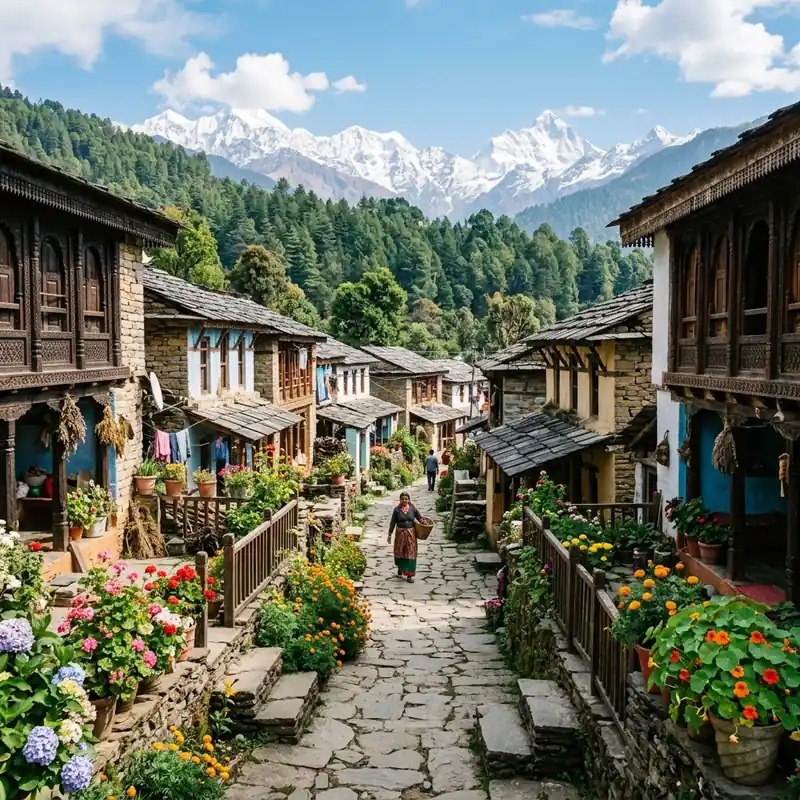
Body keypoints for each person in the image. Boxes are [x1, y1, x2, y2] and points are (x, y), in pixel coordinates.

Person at [387, 491, 422, 582]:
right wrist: (389, 534)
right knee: (400, 552)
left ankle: (409, 575)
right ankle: (400, 568)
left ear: (409, 500)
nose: (404, 500)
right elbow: (392, 523)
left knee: (410, 553)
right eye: (402, 499)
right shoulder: (397, 510)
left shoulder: (412, 508)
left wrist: (423, 522)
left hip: (411, 534)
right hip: (400, 534)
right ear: (400, 500)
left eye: (406, 499)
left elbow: (419, 517)